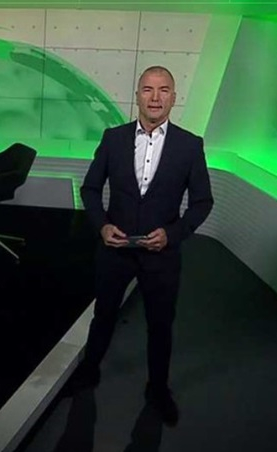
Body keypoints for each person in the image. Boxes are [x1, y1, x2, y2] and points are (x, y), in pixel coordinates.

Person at [71, 65, 214, 426]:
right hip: (115, 251)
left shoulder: (190, 145)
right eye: (148, 89)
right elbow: (90, 189)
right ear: (137, 95)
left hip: (161, 255)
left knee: (160, 324)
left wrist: (173, 234)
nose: (155, 97)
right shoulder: (113, 138)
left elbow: (202, 202)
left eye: (163, 90)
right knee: (104, 313)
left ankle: (158, 389)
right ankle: (89, 370)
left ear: (174, 98)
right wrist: (102, 226)